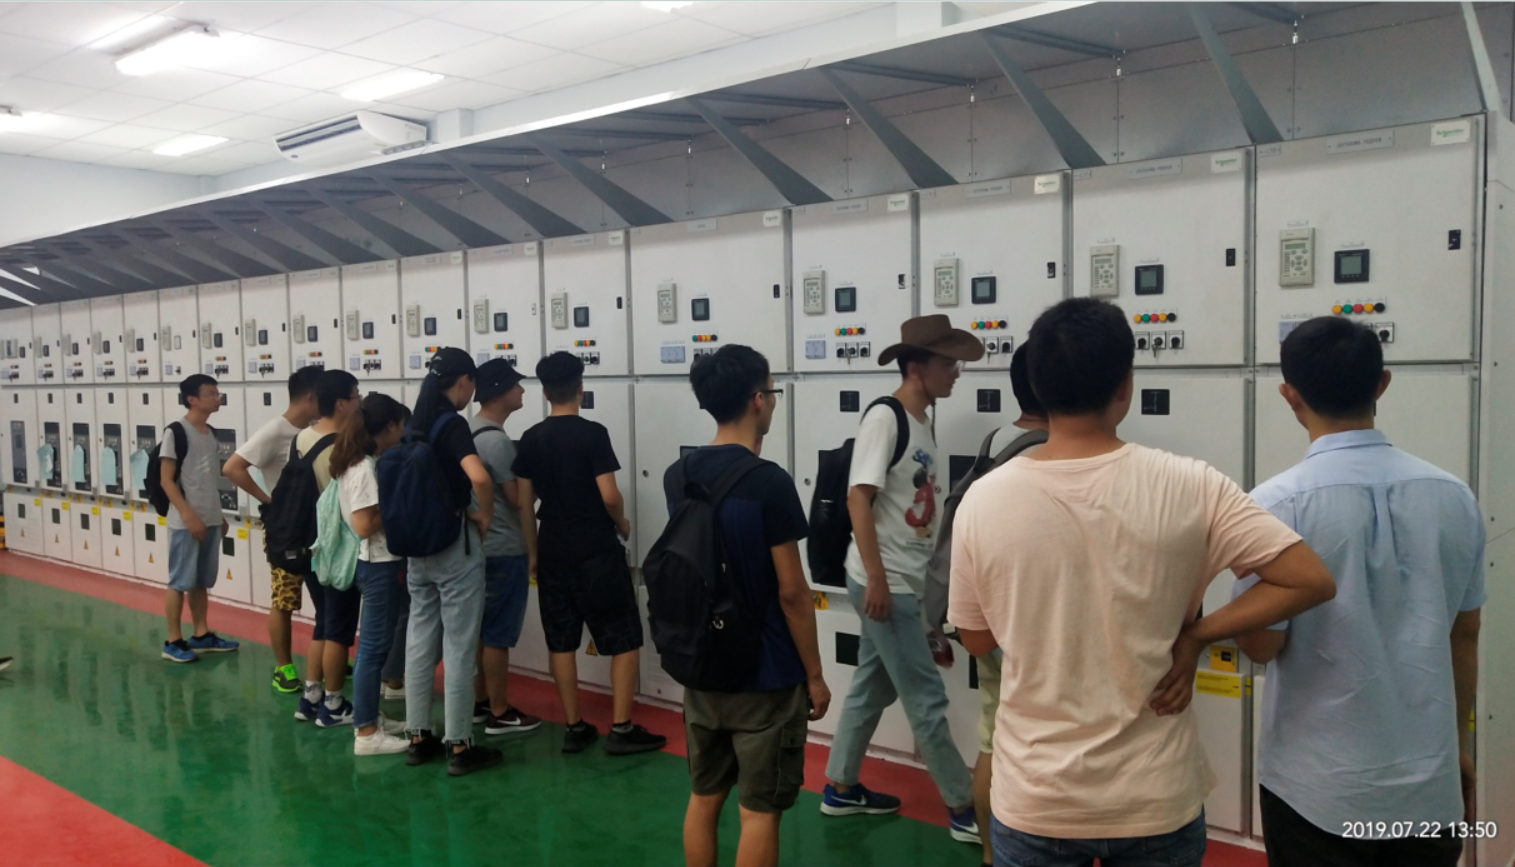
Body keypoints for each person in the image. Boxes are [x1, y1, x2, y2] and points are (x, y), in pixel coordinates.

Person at [947, 297, 1337, 867]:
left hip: (1036, 796)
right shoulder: (1191, 483)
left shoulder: (984, 498)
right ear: (1125, 384)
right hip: (1155, 797)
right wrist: (1197, 634)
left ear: (1034, 386)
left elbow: (976, 638)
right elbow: (1308, 580)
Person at [1236, 316, 1485, 867]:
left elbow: (1262, 646)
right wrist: (1459, 748)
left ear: (1289, 395)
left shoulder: (1274, 505)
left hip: (1315, 789)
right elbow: (1464, 637)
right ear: (1382, 384)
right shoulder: (1455, 496)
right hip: (1428, 786)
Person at [821, 315, 981, 843]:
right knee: (926, 698)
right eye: (947, 362)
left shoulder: (922, 421)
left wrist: (925, 613)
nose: (956, 372)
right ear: (916, 367)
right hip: (885, 581)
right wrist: (877, 578)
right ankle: (964, 808)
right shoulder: (885, 419)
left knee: (872, 686)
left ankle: (840, 787)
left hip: (901, 581)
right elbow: (858, 498)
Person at [671, 346, 831, 867]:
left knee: (704, 798)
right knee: (759, 812)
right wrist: (814, 675)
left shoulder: (680, 473)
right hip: (766, 673)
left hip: (704, 664)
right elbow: (792, 592)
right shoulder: (769, 482)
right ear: (758, 400)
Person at [512, 352, 666, 755]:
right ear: (581, 387)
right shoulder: (593, 434)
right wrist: (623, 522)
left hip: (553, 547)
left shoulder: (530, 438)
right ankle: (621, 727)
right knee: (623, 638)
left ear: (544, 392)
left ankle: (574, 726)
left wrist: (532, 552)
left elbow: (525, 504)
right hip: (595, 548)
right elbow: (609, 495)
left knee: (561, 641)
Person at [402, 348, 502, 776]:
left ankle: (418, 737)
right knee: (460, 646)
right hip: (454, 547)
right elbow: (479, 477)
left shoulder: (414, 422)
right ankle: (459, 745)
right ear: (463, 381)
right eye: (471, 385)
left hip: (418, 549)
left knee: (419, 643)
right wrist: (485, 515)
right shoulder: (452, 423)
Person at [969, 344, 1048, 867]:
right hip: (1032, 620)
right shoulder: (1048, 452)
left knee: (993, 737)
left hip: (987, 612)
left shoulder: (995, 441)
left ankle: (991, 853)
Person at [223, 366, 323, 693]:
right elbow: (232, 467)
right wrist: (270, 500)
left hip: (318, 526)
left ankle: (328, 654)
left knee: (327, 595)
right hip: (287, 530)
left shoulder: (315, 429)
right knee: (285, 599)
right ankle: (284, 667)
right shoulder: (275, 431)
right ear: (310, 397)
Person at [330, 392, 413, 757]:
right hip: (378, 564)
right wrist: (400, 502)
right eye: (401, 426)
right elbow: (364, 525)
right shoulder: (363, 467)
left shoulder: (362, 461)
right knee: (373, 650)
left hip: (379, 563)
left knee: (376, 647)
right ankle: (365, 732)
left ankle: (371, 718)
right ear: (390, 426)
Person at [467, 359, 543, 736]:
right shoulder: (497, 442)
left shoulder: (469, 430)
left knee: (481, 631)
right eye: (516, 385)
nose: (522, 391)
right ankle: (500, 712)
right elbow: (517, 500)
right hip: (505, 549)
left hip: (478, 548)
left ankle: (480, 702)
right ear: (499, 392)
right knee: (498, 635)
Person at [293, 370, 363, 728]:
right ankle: (334, 705)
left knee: (323, 622)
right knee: (338, 629)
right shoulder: (343, 445)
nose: (360, 401)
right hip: (336, 548)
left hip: (308, 543)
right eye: (356, 395)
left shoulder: (303, 437)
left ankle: (311, 695)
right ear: (341, 403)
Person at [159, 374, 239, 663]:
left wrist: (218, 516)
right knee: (179, 581)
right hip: (185, 521)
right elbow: (166, 480)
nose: (218, 398)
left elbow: (207, 480)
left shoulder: (211, 433)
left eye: (218, 393)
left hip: (210, 517)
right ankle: (172, 640)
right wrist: (188, 515)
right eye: (211, 394)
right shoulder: (176, 432)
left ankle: (201, 634)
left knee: (200, 581)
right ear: (192, 399)